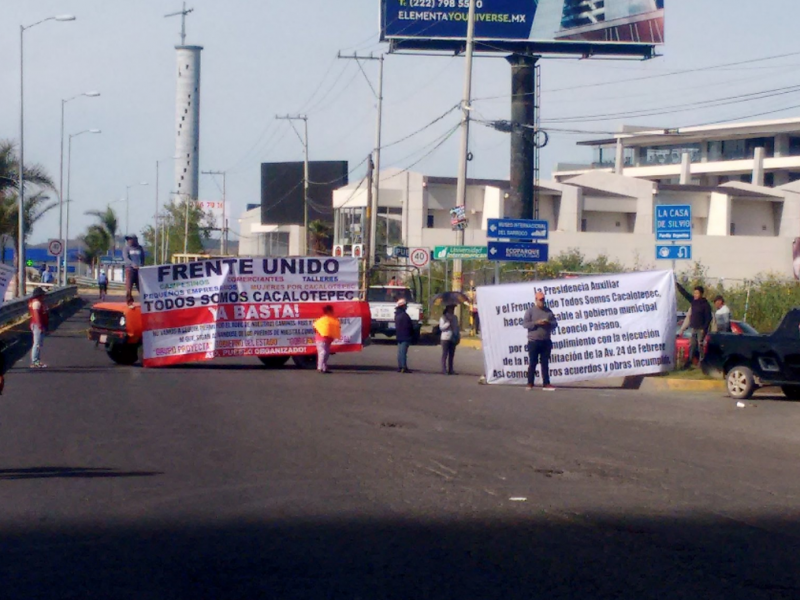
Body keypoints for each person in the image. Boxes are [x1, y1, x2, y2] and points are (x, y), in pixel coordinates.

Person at [522, 290, 558, 391]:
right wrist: (537, 323)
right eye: (540, 300)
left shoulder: (548, 311)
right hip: (534, 341)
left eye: (543, 300)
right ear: (536, 300)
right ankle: (530, 383)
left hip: (546, 341)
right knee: (533, 362)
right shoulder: (530, 311)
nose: (542, 302)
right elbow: (525, 324)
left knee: (545, 363)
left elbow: (555, 324)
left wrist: (548, 323)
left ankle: (546, 383)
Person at [676, 282, 712, 368]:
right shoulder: (693, 301)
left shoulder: (705, 304)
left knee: (700, 346)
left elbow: (708, 317)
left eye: (697, 293)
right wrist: (677, 284)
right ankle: (690, 361)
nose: (695, 295)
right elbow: (685, 293)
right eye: (694, 293)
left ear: (701, 294)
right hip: (694, 328)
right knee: (692, 345)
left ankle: (702, 362)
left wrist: (704, 328)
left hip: (701, 329)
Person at [313, 305, 341, 374]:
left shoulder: (332, 319)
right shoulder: (323, 320)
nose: (332, 312)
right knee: (323, 353)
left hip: (328, 339)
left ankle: (324, 368)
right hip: (321, 339)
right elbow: (315, 327)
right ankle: (320, 368)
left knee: (326, 354)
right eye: (331, 310)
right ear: (328, 311)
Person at [28, 287, 49, 369]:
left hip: (38, 324)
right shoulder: (36, 303)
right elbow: (37, 315)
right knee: (37, 344)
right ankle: (35, 361)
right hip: (37, 325)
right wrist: (40, 326)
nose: (44, 296)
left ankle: (36, 360)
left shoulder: (38, 302)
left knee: (38, 344)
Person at [123, 234, 145, 305]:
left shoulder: (140, 248)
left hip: (139, 270)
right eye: (128, 239)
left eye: (130, 239)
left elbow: (142, 258)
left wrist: (141, 265)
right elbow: (126, 258)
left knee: (141, 287)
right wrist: (133, 265)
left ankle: (144, 302)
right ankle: (129, 302)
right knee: (129, 286)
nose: (129, 241)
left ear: (135, 240)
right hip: (130, 269)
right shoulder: (126, 248)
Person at [439, 304, 460, 375]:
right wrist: (448, 323)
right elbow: (441, 328)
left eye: (453, 308)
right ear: (448, 309)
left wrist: (457, 335)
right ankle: (444, 369)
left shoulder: (455, 317)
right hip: (445, 338)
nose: (453, 310)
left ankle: (451, 369)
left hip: (452, 338)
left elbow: (456, 327)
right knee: (445, 354)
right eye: (451, 308)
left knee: (451, 355)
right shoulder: (443, 317)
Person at [395, 298, 414, 373]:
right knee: (403, 352)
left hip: (399, 335)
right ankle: (403, 367)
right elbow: (408, 326)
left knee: (400, 352)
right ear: (403, 306)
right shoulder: (404, 315)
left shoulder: (397, 315)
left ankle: (400, 366)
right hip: (405, 336)